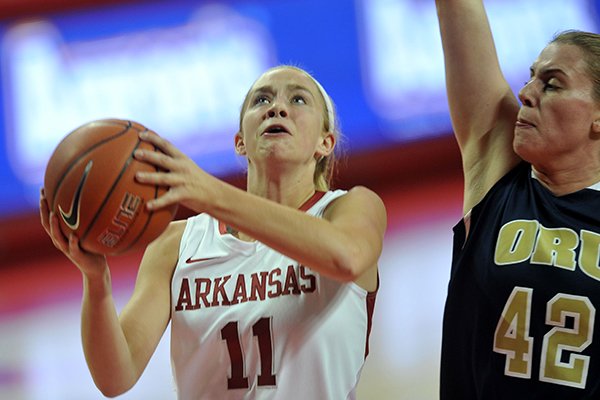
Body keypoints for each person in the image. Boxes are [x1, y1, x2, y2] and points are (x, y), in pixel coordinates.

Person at [39, 65, 386, 399]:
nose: (277, 108)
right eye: (261, 101)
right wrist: (96, 281)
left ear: (325, 143)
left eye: (298, 100)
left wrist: (208, 191)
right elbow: (116, 376)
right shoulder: (175, 244)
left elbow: (346, 257)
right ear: (240, 142)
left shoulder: (350, 207)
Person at [435, 0, 600, 398]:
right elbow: (459, 10)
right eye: (531, 78)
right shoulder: (497, 173)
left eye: (552, 83)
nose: (526, 93)